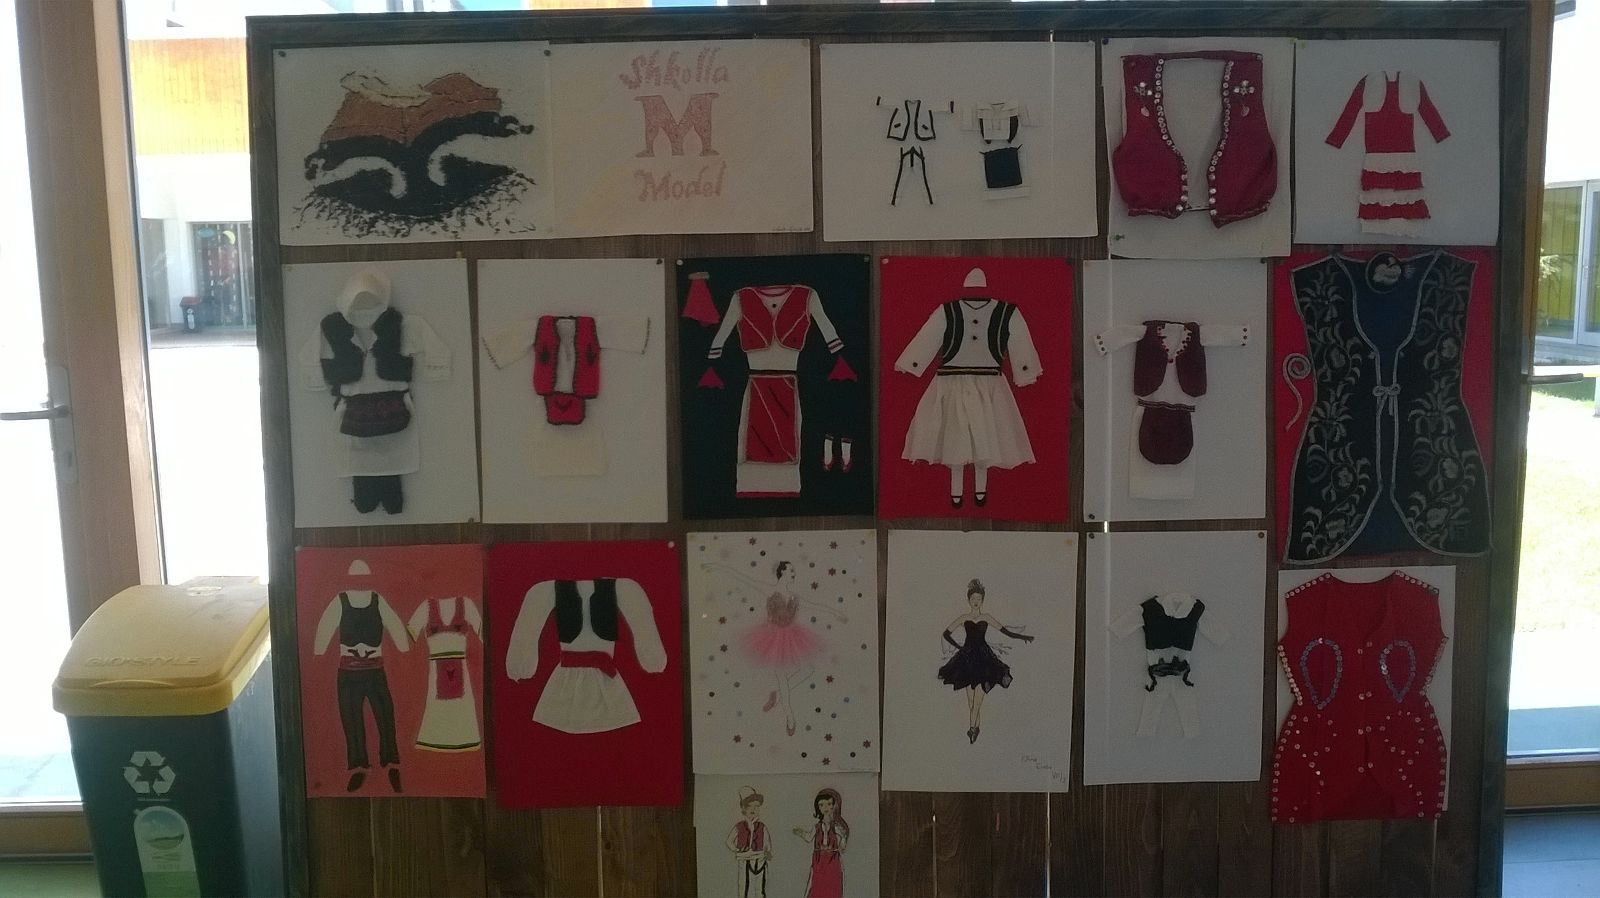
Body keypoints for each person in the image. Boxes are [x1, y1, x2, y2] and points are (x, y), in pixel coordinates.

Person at [700, 560, 847, 736]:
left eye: (793, 570)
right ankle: (790, 717)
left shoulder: (794, 597)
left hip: (792, 637)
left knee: (808, 670)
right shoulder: (771, 590)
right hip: (773, 638)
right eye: (791, 570)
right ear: (782, 572)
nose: (793, 573)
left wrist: (835, 613)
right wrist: (720, 567)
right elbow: (744, 579)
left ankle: (776, 695)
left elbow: (815, 605)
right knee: (782, 677)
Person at [936, 578, 1036, 743]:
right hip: (967, 660)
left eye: (979, 598)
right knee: (971, 703)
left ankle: (971, 730)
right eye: (973, 598)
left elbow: (1006, 632)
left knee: (977, 703)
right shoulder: (964, 617)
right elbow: (946, 634)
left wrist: (1024, 637)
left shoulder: (987, 617)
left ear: (982, 600)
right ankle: (976, 728)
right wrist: (959, 647)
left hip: (984, 660)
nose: (976, 601)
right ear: (969, 600)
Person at [792, 787, 848, 898]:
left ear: (834, 806)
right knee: (817, 885)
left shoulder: (836, 826)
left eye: (829, 804)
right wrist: (800, 832)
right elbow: (809, 838)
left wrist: (842, 845)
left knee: (832, 886)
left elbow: (843, 839)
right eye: (821, 805)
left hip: (832, 861)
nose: (825, 808)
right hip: (819, 860)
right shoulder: (817, 827)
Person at [724, 786, 771, 898]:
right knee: (744, 887)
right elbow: (729, 841)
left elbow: (767, 842)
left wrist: (767, 852)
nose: (753, 809)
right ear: (743, 808)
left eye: (757, 806)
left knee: (760, 889)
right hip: (744, 859)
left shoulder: (762, 826)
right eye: (750, 806)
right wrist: (737, 849)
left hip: (759, 859)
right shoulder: (740, 826)